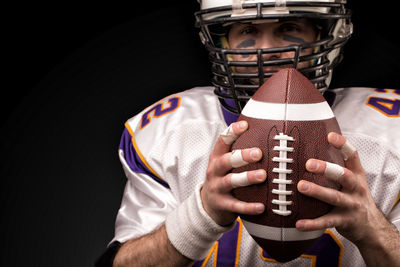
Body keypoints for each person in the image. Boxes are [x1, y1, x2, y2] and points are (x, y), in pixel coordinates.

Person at [96, 0, 400, 266]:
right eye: (247, 31)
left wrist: (373, 230)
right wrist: (199, 217)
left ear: (326, 33)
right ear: (220, 41)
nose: (267, 50)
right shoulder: (172, 132)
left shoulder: (389, 132)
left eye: (288, 26)